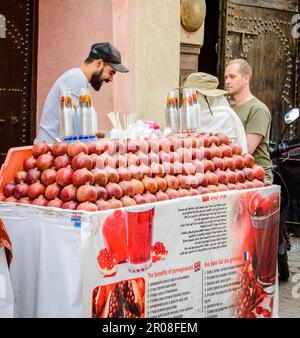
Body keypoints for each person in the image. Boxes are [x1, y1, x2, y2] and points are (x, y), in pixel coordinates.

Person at [34, 42, 129, 144]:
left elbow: (81, 129)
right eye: (111, 73)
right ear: (99, 63)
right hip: (50, 151)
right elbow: (76, 130)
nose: (110, 79)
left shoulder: (79, 79)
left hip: (56, 150)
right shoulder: (76, 79)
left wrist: (107, 135)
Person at [225, 59, 273, 182]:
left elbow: (246, 150)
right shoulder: (229, 109)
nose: (227, 81)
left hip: (258, 179)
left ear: (246, 78)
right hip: (237, 175)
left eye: (232, 77)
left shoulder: (258, 109)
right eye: (226, 77)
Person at [181, 72, 248, 154]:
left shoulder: (225, 116)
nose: (188, 99)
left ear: (207, 97)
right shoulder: (185, 114)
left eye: (194, 95)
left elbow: (229, 149)